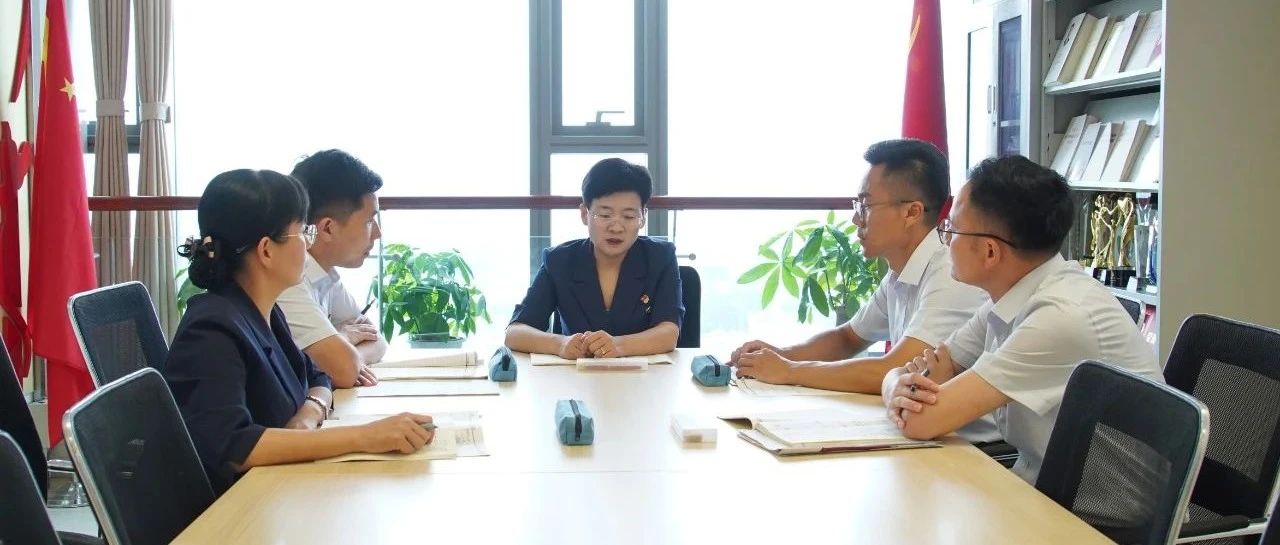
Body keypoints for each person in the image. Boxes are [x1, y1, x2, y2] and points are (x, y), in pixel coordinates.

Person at [883, 155, 1162, 483]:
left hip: (1093, 511)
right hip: (1037, 486)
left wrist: (895, 388)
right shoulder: (1013, 296)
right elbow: (931, 369)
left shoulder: (1059, 317)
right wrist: (896, 384)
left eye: (952, 229)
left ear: (990, 251)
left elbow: (922, 420)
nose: (946, 241)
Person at [164, 169, 433, 495]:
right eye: (303, 232)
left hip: (277, 491)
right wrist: (364, 436)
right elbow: (235, 446)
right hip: (237, 507)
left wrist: (308, 415)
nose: (309, 244)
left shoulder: (266, 312)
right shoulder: (211, 330)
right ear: (266, 250)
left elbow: (317, 377)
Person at [731, 139, 987, 395]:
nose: (856, 219)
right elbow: (847, 338)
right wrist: (779, 355)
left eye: (865, 206)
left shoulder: (951, 273)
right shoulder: (899, 274)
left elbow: (899, 371)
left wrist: (789, 370)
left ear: (911, 212)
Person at [505, 158, 683, 358]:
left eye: (629, 216)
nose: (616, 227)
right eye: (605, 215)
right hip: (574, 374)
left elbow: (669, 333)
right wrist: (560, 344)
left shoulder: (661, 257)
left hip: (646, 374)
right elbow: (515, 333)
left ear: (643, 217)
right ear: (584, 214)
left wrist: (618, 346)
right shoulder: (559, 261)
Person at [276, 150, 387, 388]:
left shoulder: (324, 274)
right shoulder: (287, 280)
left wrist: (350, 355)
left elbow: (377, 339)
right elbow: (342, 371)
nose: (378, 233)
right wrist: (345, 340)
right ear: (327, 228)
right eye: (369, 221)